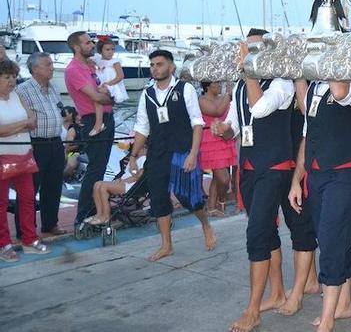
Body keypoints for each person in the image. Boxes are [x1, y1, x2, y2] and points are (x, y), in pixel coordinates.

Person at [215, 29, 315, 332]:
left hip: (275, 167)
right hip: (249, 166)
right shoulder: (242, 87)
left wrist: (248, 72)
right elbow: (237, 121)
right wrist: (224, 130)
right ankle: (276, 292)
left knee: (257, 232)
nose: (253, 55)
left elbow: (259, 108)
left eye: (258, 50)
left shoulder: (281, 83)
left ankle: (253, 309)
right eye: (250, 50)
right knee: (263, 229)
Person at [289, 60, 351, 331]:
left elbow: (339, 91)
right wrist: (297, 180)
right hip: (317, 173)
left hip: (344, 172)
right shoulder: (313, 88)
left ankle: (328, 317)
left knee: (331, 237)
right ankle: (344, 304)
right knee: (334, 237)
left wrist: (334, 55)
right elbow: (307, 133)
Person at [128, 50, 215, 261]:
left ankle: (205, 224)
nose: (154, 68)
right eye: (152, 65)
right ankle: (166, 244)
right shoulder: (147, 94)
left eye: (159, 64)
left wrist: (193, 154)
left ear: (171, 67)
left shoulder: (184, 90)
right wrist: (133, 155)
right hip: (158, 154)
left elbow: (197, 123)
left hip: (182, 152)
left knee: (189, 198)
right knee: (159, 199)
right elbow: (142, 127)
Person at [0, 59, 51, 262]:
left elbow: (33, 121)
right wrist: (21, 125)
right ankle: (3, 244)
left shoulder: (18, 95)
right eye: (6, 77)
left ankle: (30, 239)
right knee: (1, 203)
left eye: (13, 76)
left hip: (24, 156)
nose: (12, 81)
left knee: (29, 199)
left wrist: (15, 128)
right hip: (2, 158)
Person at [64, 31, 115, 225]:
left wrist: (110, 97)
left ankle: (95, 211)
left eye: (91, 42)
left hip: (107, 118)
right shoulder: (73, 69)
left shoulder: (92, 65)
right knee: (95, 169)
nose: (92, 45)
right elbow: (95, 96)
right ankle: (84, 215)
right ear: (76, 47)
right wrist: (112, 98)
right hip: (94, 119)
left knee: (100, 168)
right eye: (87, 43)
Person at [16, 52, 67, 236]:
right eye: (48, 64)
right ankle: (25, 229)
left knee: (54, 186)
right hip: (36, 144)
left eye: (52, 64)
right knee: (30, 188)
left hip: (55, 142)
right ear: (35, 69)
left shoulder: (53, 87)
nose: (52, 67)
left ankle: (50, 223)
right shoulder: (23, 90)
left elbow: (59, 110)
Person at [199, 81, 236, 217]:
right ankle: (221, 201)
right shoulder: (202, 100)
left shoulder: (222, 98)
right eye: (216, 84)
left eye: (220, 83)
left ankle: (211, 206)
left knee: (217, 176)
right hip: (210, 140)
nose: (220, 86)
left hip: (223, 137)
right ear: (207, 86)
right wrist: (228, 95)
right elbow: (216, 111)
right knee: (223, 178)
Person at [87, 156, 145, 224]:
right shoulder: (133, 159)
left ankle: (106, 216)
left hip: (131, 185)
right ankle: (99, 214)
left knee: (103, 187)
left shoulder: (144, 158)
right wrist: (119, 179)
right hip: (123, 181)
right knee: (97, 184)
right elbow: (125, 173)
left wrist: (122, 181)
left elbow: (138, 177)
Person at [90, 39, 128, 137]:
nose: (110, 52)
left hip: (112, 85)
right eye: (107, 49)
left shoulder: (115, 62)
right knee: (97, 100)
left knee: (98, 99)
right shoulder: (98, 61)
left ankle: (98, 124)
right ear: (101, 50)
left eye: (112, 49)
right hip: (102, 83)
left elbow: (120, 76)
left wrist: (109, 84)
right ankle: (99, 123)